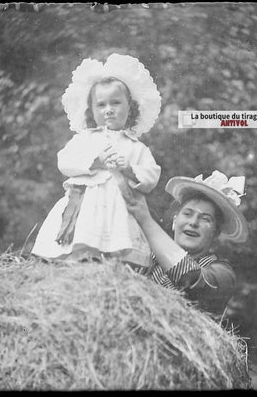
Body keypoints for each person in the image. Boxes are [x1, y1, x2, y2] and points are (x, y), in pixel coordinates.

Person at [31, 53, 162, 268]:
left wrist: (129, 169)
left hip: (117, 207)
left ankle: (111, 268)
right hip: (85, 203)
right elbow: (64, 161)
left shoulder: (135, 146)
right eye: (101, 105)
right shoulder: (84, 138)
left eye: (116, 103)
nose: (109, 110)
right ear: (91, 110)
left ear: (130, 107)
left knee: (115, 248)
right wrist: (95, 161)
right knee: (82, 243)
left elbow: (151, 175)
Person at [122, 170, 249, 319]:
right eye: (187, 214)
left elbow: (191, 280)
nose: (193, 223)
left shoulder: (223, 274)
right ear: (175, 221)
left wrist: (146, 221)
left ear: (215, 233)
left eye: (205, 219)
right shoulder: (145, 255)